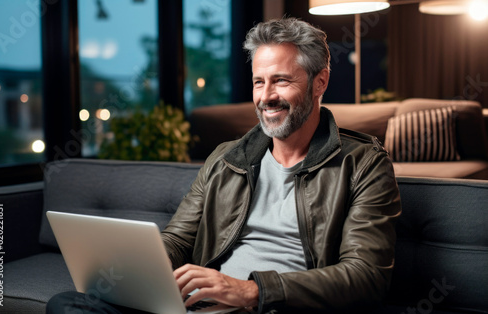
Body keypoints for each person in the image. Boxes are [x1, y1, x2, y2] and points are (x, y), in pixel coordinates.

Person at [47, 17, 401, 313]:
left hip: (274, 306)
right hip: (200, 304)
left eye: (281, 80)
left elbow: (366, 275)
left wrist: (250, 291)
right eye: (259, 82)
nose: (266, 97)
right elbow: (178, 238)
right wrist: (138, 269)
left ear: (319, 81)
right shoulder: (227, 158)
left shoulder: (364, 163)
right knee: (68, 305)